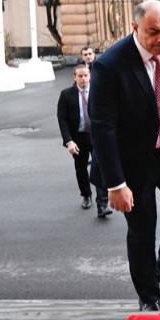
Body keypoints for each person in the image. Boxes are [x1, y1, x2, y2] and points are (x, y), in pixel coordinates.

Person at [89, 0, 160, 312]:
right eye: (154, 32)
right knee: (142, 230)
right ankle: (149, 299)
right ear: (135, 27)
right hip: (131, 162)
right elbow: (102, 128)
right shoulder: (110, 65)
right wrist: (115, 184)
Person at [56, 63, 110, 218]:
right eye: (80, 76)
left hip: (97, 137)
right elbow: (62, 119)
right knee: (81, 169)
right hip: (78, 138)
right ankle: (86, 195)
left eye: (86, 75)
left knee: (100, 169)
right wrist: (69, 141)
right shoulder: (66, 95)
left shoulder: (99, 92)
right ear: (75, 77)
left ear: (90, 76)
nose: (84, 78)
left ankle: (102, 204)